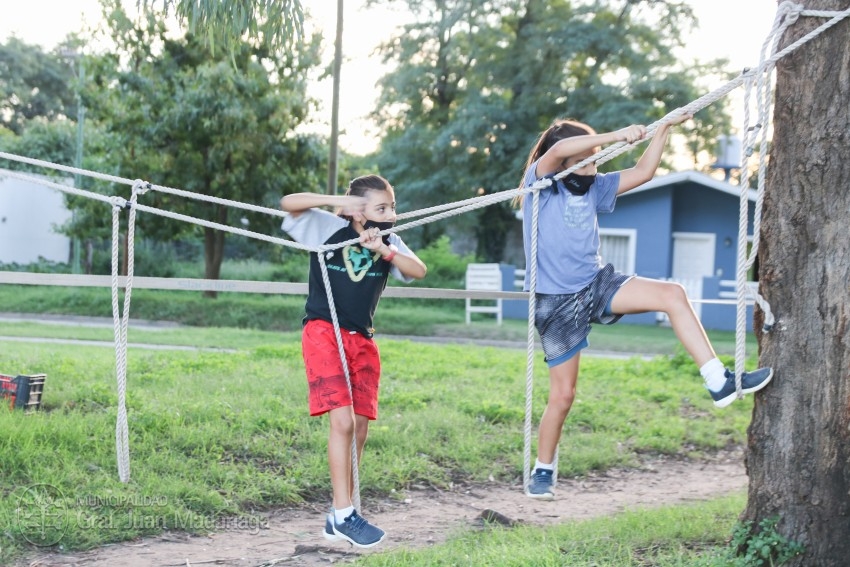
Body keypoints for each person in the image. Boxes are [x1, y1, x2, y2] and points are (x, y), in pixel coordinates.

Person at [517, 117, 773, 501]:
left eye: (596, 159)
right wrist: (616, 135)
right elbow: (556, 152)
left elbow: (643, 171)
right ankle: (543, 468)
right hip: (556, 302)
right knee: (564, 395)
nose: (594, 166)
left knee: (672, 294)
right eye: (586, 159)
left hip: (596, 284)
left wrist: (663, 130)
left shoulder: (595, 188)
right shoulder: (541, 186)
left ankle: (717, 379)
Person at [280, 174, 427, 547]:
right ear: (359, 210)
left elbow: (418, 270)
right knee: (342, 423)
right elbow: (289, 202)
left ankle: (337, 512)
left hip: (362, 340)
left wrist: (386, 251)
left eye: (392, 206)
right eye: (382, 207)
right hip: (324, 331)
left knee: (359, 428)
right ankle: (346, 514)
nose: (391, 213)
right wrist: (337, 201)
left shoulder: (389, 240)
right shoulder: (326, 227)